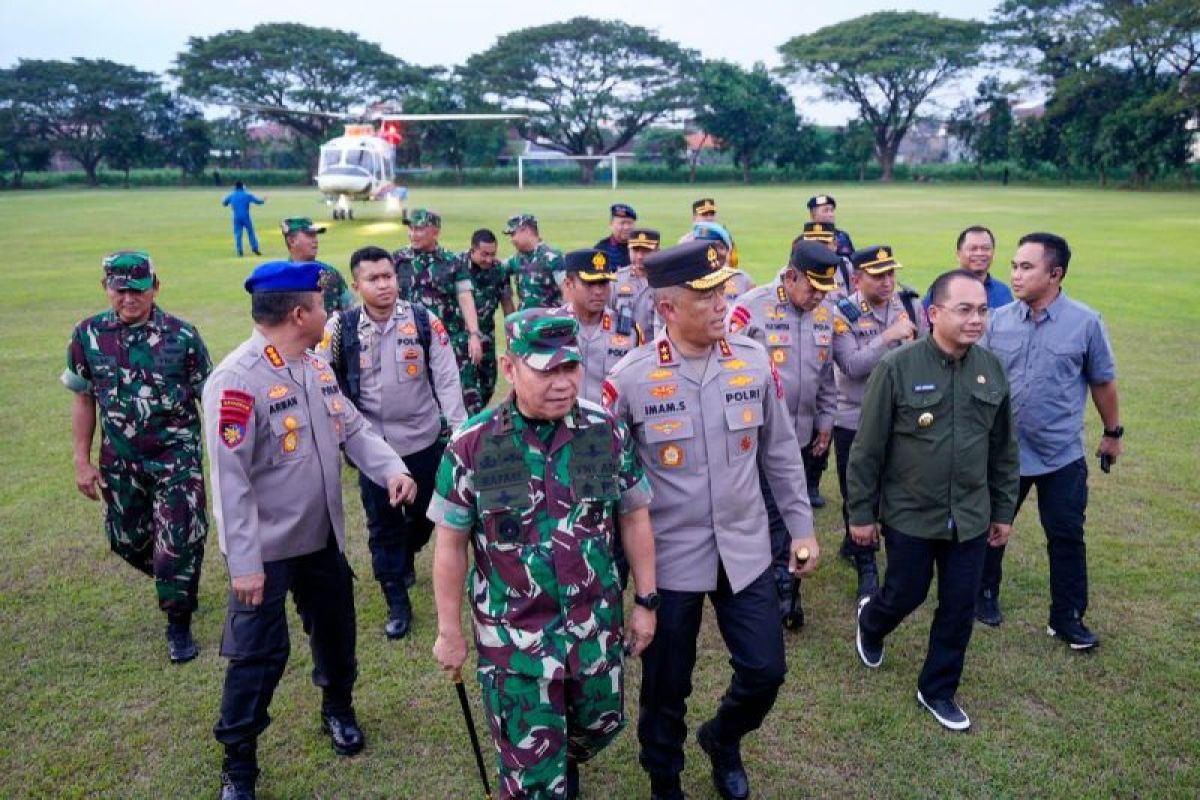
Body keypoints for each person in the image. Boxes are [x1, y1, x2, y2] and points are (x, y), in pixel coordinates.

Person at [605, 240, 819, 800]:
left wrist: (801, 527)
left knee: (765, 670)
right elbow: (609, 482)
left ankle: (722, 738)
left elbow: (778, 454)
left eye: (723, 289)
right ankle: (664, 778)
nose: (723, 301)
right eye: (707, 295)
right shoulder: (630, 379)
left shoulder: (751, 359)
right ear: (669, 308)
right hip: (670, 557)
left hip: (745, 548)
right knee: (665, 686)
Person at [203, 261, 416, 800]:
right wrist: (245, 564)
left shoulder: (314, 366)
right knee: (256, 654)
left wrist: (391, 468)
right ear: (300, 314)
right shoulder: (236, 380)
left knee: (337, 633)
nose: (329, 312)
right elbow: (230, 485)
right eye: (321, 305)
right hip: (267, 550)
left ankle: (337, 708)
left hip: (321, 536)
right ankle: (239, 763)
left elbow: (354, 428)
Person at [429, 309, 658, 800]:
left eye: (569, 367)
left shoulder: (605, 430)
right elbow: (449, 547)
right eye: (545, 369)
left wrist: (646, 600)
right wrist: (449, 631)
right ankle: (541, 770)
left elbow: (634, 517)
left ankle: (557, 758)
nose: (561, 382)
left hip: (595, 632)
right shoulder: (472, 446)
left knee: (602, 725)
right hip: (515, 645)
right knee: (534, 781)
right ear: (510, 368)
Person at [848, 269, 1019, 732]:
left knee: (960, 605)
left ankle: (937, 688)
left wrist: (1003, 511)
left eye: (982, 309)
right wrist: (861, 515)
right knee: (906, 591)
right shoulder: (897, 367)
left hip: (970, 515)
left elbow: (1003, 449)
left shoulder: (991, 367)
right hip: (910, 513)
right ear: (933, 313)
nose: (976, 319)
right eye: (964, 309)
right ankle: (873, 623)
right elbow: (867, 450)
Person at [62, 250, 212, 664]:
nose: (129, 298)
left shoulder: (182, 336)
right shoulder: (88, 335)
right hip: (120, 462)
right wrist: (81, 458)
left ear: (155, 288)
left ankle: (178, 623)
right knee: (125, 540)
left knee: (175, 544)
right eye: (120, 289)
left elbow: (211, 398)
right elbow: (83, 398)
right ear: (106, 288)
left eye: (138, 290)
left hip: (176, 461)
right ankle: (176, 575)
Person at [976, 232, 1121, 647]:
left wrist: (1112, 434)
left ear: (1055, 274)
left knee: (1067, 535)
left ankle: (1067, 616)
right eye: (1014, 266)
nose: (1014, 275)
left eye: (1026, 267)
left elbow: (1103, 383)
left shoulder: (1086, 322)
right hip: (1004, 454)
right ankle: (984, 595)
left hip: (1061, 454)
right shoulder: (997, 321)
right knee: (990, 528)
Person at [319, 246, 467, 640]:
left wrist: (460, 431)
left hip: (422, 439)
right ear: (356, 285)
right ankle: (396, 600)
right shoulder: (341, 329)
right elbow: (325, 379)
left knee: (425, 516)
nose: (383, 284)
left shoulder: (422, 320)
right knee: (382, 524)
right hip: (373, 447)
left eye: (388, 276)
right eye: (373, 279)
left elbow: (448, 377)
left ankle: (404, 556)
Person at [727, 241, 839, 628]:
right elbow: (726, 368)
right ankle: (780, 597)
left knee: (796, 515)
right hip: (758, 440)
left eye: (826, 289)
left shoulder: (825, 312)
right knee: (773, 519)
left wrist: (825, 422)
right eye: (812, 287)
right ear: (790, 276)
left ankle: (786, 591)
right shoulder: (750, 308)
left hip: (804, 436)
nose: (819, 296)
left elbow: (825, 376)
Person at [831, 246, 928, 599]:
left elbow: (926, 352)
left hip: (900, 416)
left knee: (894, 490)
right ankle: (867, 573)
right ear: (857, 279)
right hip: (854, 417)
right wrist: (887, 337)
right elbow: (852, 366)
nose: (888, 282)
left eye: (891, 274)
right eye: (878, 275)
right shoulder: (842, 312)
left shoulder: (910, 304)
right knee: (857, 493)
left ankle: (863, 550)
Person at [392, 208, 486, 382]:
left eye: (419, 229)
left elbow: (465, 299)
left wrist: (474, 335)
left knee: (456, 391)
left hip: (447, 340)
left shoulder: (453, 262)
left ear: (436, 232)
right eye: (411, 229)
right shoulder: (397, 260)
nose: (413, 234)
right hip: (408, 340)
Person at [555, 248, 644, 404]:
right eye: (589, 284)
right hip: (563, 422)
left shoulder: (629, 331)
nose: (598, 291)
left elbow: (639, 384)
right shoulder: (551, 328)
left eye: (603, 283)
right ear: (569, 284)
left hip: (609, 423)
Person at [459, 228, 515, 414]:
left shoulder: (498, 270)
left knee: (488, 383)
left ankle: (475, 417)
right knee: (466, 386)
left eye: (492, 254)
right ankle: (468, 424)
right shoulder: (457, 266)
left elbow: (507, 303)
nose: (488, 259)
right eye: (484, 254)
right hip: (461, 336)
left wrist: (513, 335)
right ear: (472, 250)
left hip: (487, 336)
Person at [922, 225, 1014, 311]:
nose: (979, 253)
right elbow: (924, 324)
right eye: (973, 248)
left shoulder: (1003, 292)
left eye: (986, 248)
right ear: (958, 254)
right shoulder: (943, 288)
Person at [281, 217, 354, 315]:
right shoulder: (280, 277)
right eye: (310, 236)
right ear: (292, 241)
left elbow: (351, 311)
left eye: (315, 236)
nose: (315, 241)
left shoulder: (329, 273)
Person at [503, 213, 565, 310]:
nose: (512, 240)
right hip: (525, 321)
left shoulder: (553, 258)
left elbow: (568, 291)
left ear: (526, 231)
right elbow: (496, 267)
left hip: (550, 321)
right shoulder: (515, 260)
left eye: (513, 234)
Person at [612, 228, 660, 339]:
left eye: (646, 251)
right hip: (623, 348)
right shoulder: (617, 280)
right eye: (635, 250)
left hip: (654, 349)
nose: (639, 256)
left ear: (658, 251)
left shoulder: (667, 281)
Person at [691, 221, 755, 302]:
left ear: (728, 250)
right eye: (704, 247)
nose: (712, 253)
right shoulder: (689, 281)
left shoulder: (743, 280)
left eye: (719, 247)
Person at [796, 221, 852, 298]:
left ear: (835, 244)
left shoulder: (845, 267)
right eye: (813, 243)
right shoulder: (795, 270)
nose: (818, 248)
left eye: (824, 243)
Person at [222, 181, 266, 257]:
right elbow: (258, 202)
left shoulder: (232, 195)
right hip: (246, 216)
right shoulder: (247, 195)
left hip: (236, 217)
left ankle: (239, 251)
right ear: (242, 186)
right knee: (250, 232)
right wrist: (264, 200)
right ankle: (255, 248)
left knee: (238, 234)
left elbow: (224, 203)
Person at [807, 194, 854, 258]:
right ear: (813, 214)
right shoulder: (803, 240)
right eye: (825, 211)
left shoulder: (843, 236)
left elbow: (853, 261)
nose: (831, 214)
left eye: (832, 210)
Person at [594, 203, 637, 269]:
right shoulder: (601, 250)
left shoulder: (641, 247)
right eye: (622, 223)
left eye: (630, 223)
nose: (626, 227)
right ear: (611, 224)